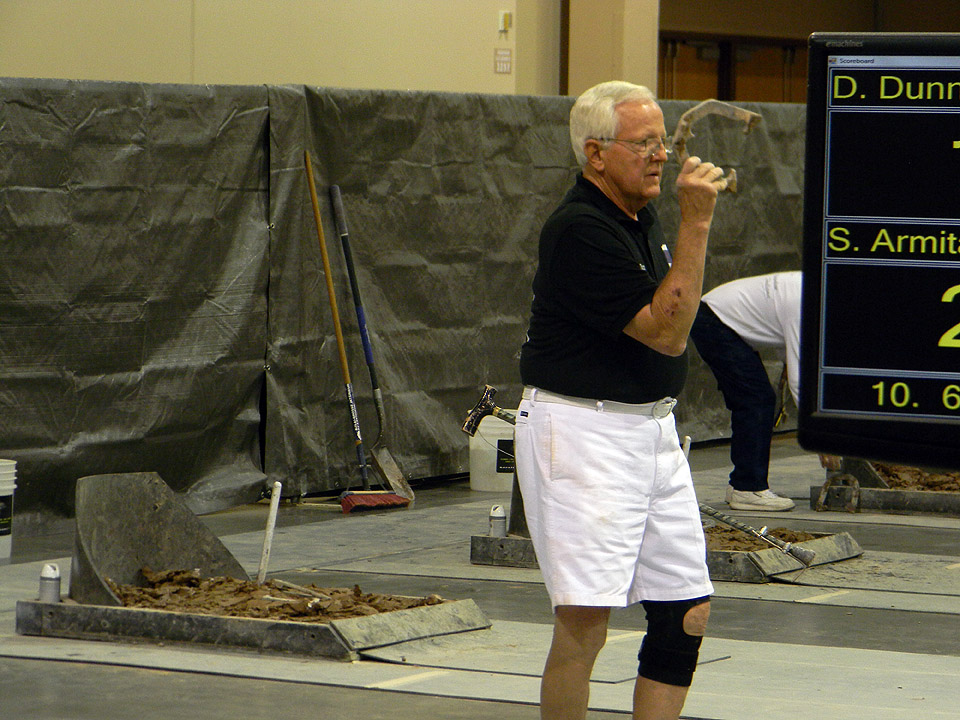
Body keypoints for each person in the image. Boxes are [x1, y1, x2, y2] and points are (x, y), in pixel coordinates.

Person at [514, 80, 727, 720]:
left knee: (686, 611)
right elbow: (666, 331)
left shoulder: (640, 216)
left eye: (663, 141)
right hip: (584, 432)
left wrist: (681, 223)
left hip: (650, 431)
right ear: (596, 153)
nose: (660, 155)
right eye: (643, 144)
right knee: (585, 622)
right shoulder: (578, 229)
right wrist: (698, 221)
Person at [689, 271, 801, 512]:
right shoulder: (806, 303)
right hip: (715, 320)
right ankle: (748, 488)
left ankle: (742, 483)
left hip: (717, 316)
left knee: (753, 399)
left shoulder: (810, 287)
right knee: (756, 400)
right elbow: (799, 382)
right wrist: (820, 435)